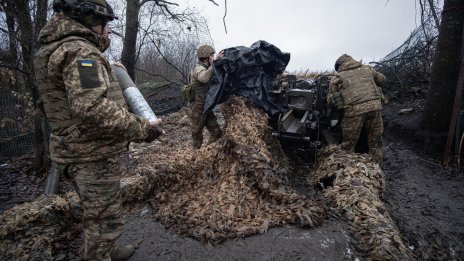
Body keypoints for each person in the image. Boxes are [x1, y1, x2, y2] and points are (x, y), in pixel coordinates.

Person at [34, 0, 163, 260]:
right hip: (91, 153)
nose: (109, 31)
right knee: (105, 220)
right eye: (106, 25)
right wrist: (143, 129)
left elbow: (70, 98)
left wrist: (113, 74)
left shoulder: (55, 49)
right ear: (92, 21)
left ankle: (108, 251)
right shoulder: (81, 53)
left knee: (98, 214)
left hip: (76, 148)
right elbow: (92, 109)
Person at [327, 54, 386, 163]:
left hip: (354, 112)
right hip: (375, 108)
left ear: (340, 66)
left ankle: (346, 171)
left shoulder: (337, 78)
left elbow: (331, 101)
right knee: (375, 143)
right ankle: (376, 170)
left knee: (348, 145)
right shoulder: (368, 69)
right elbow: (382, 80)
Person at [188, 45, 224, 149]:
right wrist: (214, 64)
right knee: (197, 136)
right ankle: (195, 159)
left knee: (216, 132)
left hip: (206, 106)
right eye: (212, 56)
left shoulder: (207, 68)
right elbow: (204, 78)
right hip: (197, 107)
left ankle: (205, 153)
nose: (213, 58)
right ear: (207, 57)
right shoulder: (198, 68)